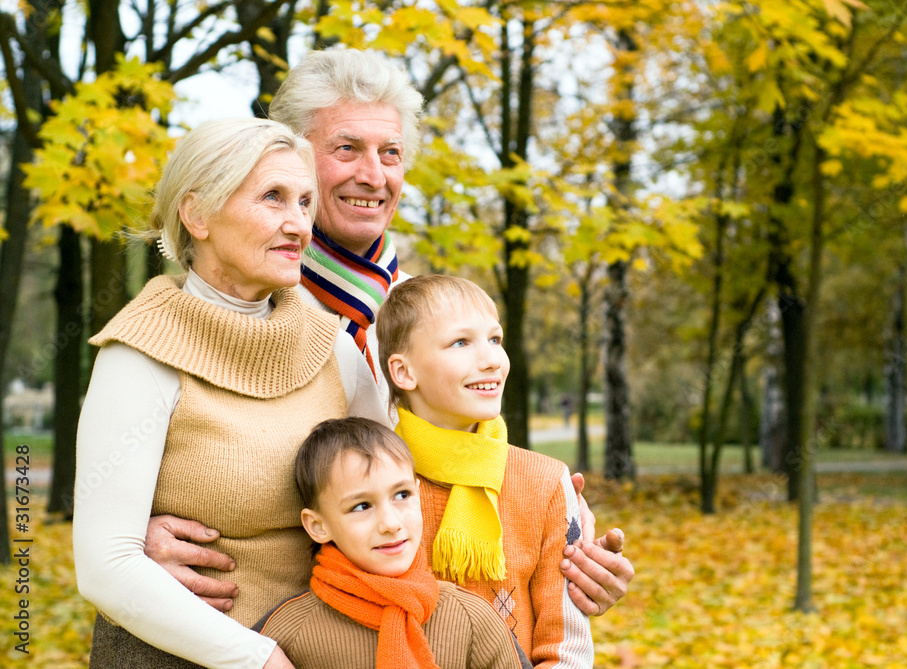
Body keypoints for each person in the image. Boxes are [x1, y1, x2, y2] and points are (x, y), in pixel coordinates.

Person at [144, 47, 633, 622]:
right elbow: (133, 469)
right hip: (253, 626)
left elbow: (471, 474)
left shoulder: (439, 321)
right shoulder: (219, 306)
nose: (373, 176)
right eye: (346, 148)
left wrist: (566, 543)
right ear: (294, 158)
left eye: (391, 153)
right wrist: (137, 533)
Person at [73, 117, 384, 669]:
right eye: (273, 197)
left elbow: (397, 489)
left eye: (305, 203)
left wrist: (552, 510)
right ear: (197, 215)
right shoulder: (141, 353)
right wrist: (256, 658)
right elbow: (106, 562)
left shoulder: (331, 346)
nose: (297, 224)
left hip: (326, 648)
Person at [376, 274, 594, 668]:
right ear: (404, 372)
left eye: (495, 339)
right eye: (461, 343)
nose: (492, 358)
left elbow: (567, 648)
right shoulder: (373, 482)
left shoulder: (545, 483)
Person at [256, 417, 524, 669]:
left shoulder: (471, 618)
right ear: (318, 526)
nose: (391, 523)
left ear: (418, 496)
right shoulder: (288, 632)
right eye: (362, 506)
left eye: (402, 494)